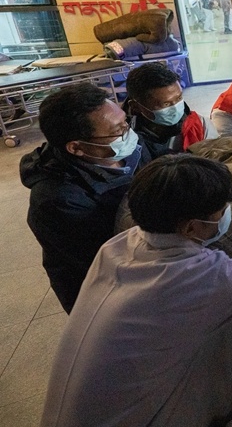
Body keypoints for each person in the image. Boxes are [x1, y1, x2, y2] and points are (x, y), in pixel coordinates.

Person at [30, 156, 232, 427]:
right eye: (222, 209)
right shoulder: (195, 280)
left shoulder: (118, 246)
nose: (226, 214)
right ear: (191, 226)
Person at [20, 83, 153, 313]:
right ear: (76, 148)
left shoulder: (126, 144)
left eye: (125, 122)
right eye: (117, 130)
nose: (128, 132)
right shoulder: (57, 199)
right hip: (105, 294)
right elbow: (107, 260)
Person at [125, 63, 215, 156]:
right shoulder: (125, 142)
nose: (175, 108)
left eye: (179, 98)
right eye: (166, 104)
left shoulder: (200, 125)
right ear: (136, 106)